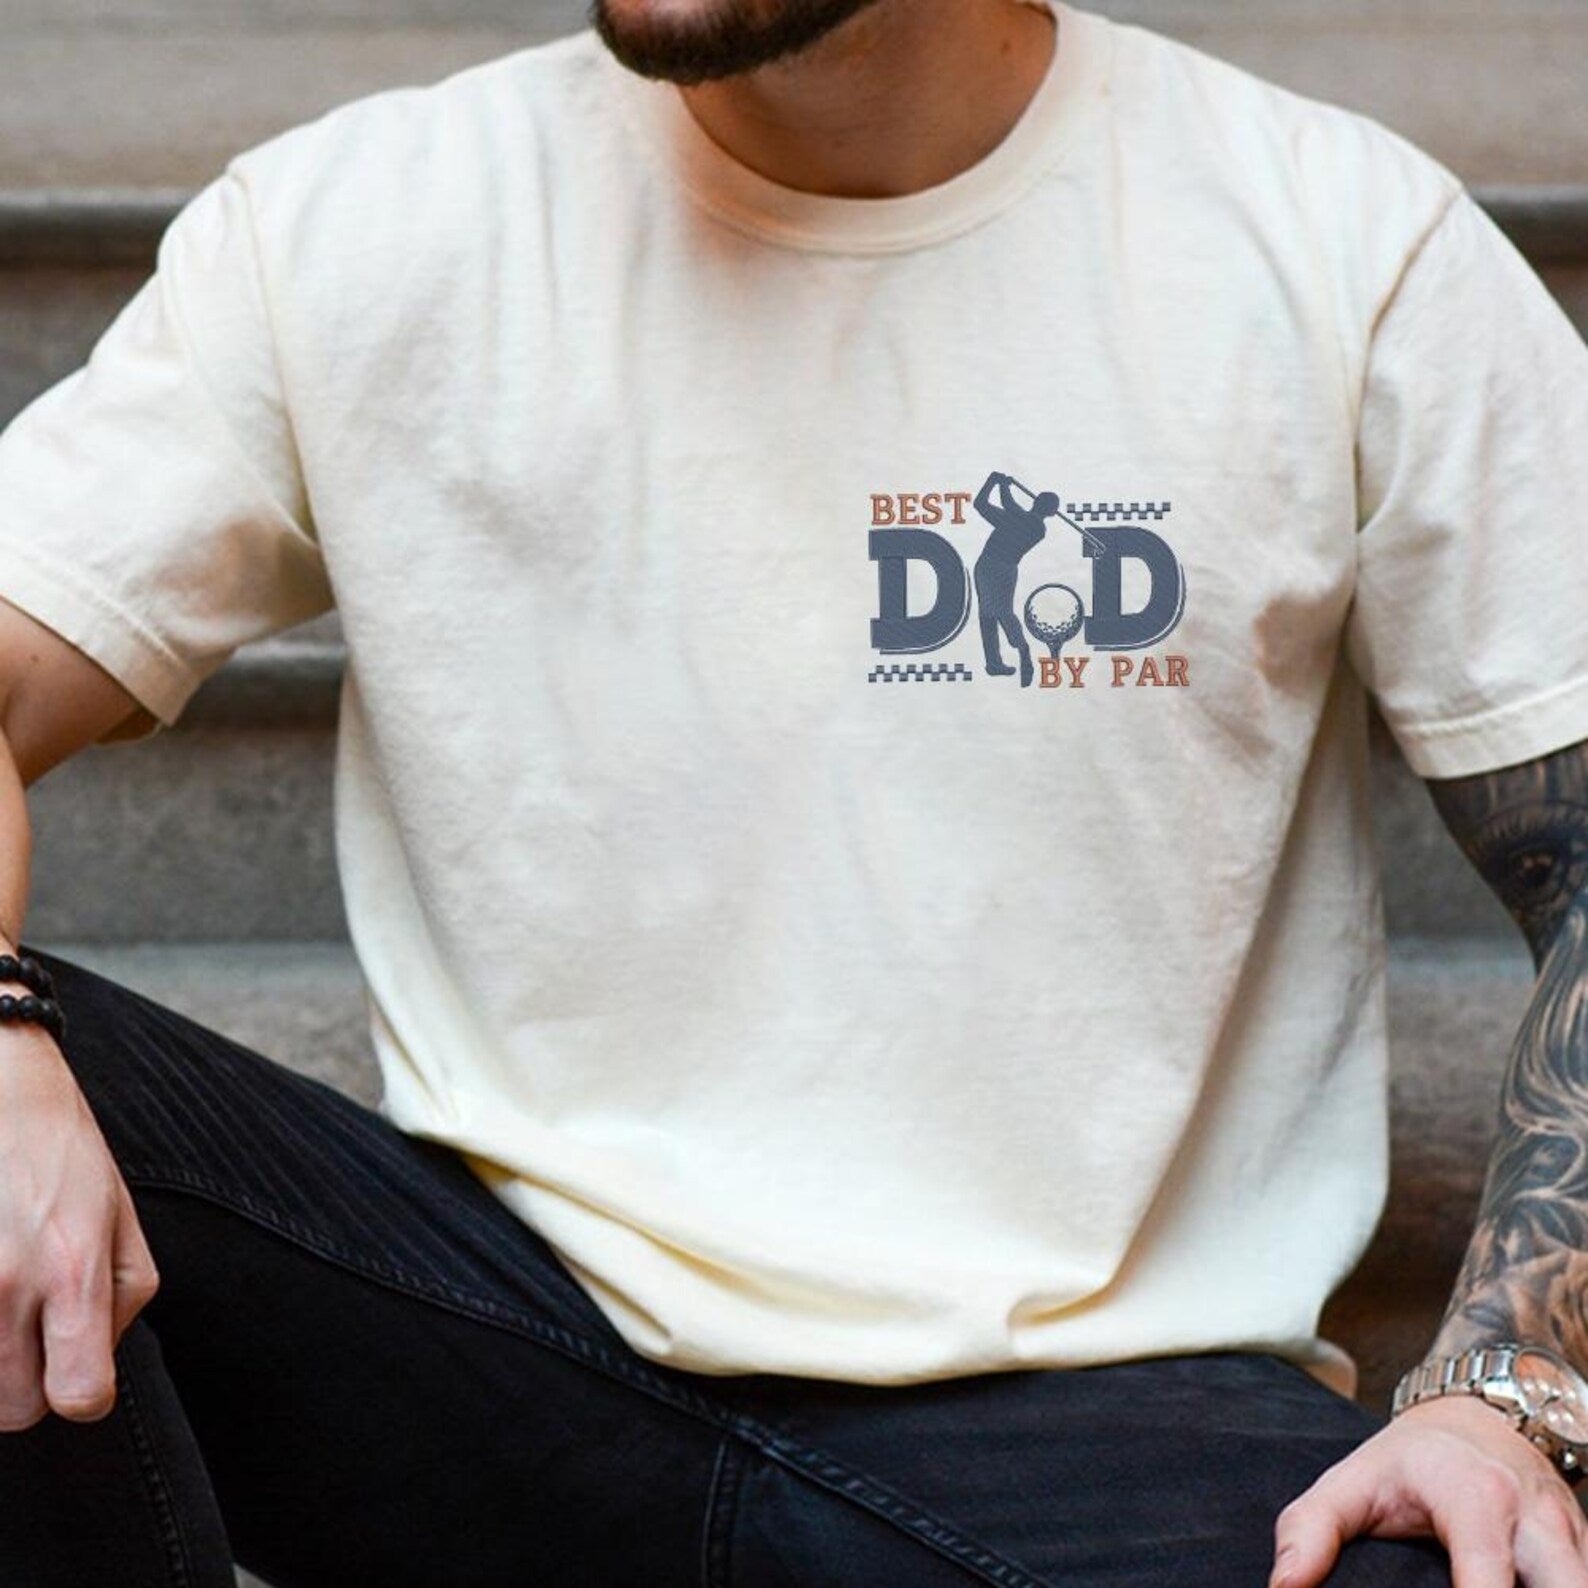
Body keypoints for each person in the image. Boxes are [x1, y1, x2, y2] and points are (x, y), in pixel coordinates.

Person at [0, 0, 1586, 1582]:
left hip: (1100, 1420)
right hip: (500, 1347)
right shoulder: (357, 224)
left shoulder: (1338, 242)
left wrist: (1508, 1386)